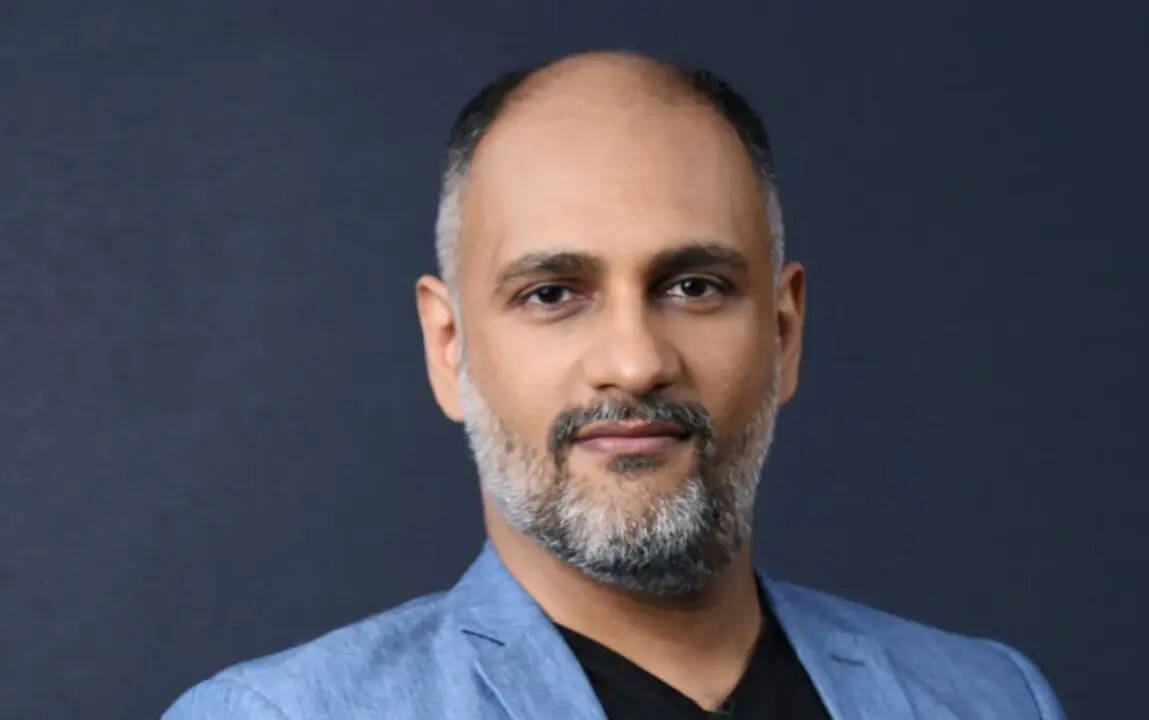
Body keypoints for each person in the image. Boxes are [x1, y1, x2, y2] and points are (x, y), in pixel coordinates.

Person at [163, 50, 1065, 719]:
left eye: (694, 287)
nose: (634, 363)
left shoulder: (992, 699)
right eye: (552, 293)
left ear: (783, 333)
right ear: (449, 348)